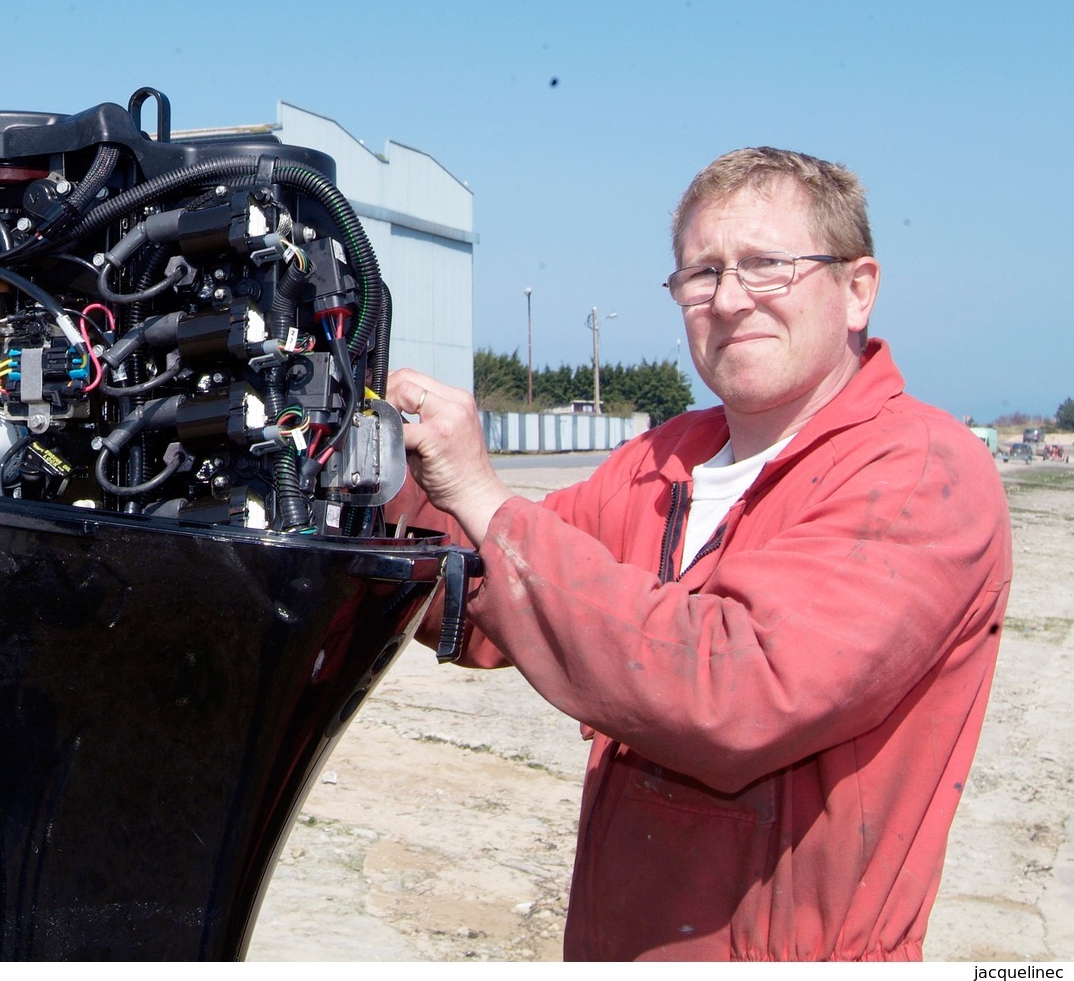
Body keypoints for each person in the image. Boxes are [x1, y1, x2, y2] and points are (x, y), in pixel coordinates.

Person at [386, 147, 1011, 962]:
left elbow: (732, 697)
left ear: (857, 290)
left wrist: (483, 497)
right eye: (701, 273)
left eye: (766, 266)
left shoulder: (918, 468)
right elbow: (488, 606)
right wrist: (379, 477)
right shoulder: (663, 457)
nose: (729, 299)